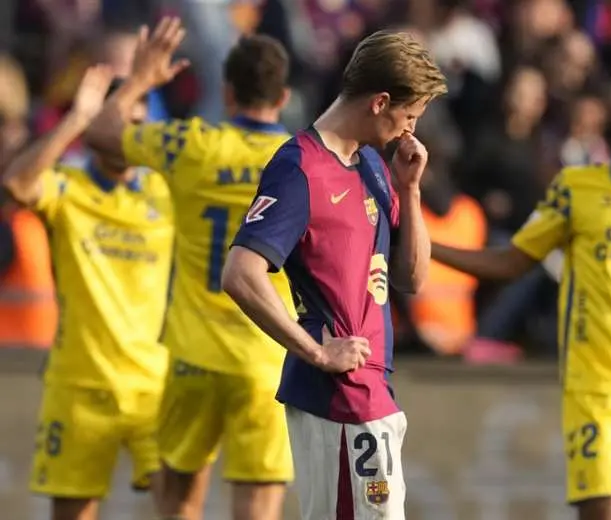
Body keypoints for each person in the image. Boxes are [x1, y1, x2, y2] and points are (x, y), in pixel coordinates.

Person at [431, 72, 611, 520]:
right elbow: (512, 261)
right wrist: (426, 248)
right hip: (595, 386)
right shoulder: (576, 190)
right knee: (602, 509)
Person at [221, 30, 447, 519]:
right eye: (409, 117)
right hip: (341, 397)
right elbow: (241, 273)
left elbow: (411, 278)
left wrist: (410, 191)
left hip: (372, 391)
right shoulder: (300, 166)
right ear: (380, 102)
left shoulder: (370, 163)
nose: (410, 132)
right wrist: (317, 351)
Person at [86, 18, 297, 520]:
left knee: (179, 502)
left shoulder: (189, 145)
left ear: (226, 92)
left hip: (192, 356)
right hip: (266, 359)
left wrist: (139, 80)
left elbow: (100, 133)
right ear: (284, 97)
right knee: (258, 507)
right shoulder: (300, 159)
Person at [2, 66, 174, 520]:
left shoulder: (165, 191)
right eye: (114, 123)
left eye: (136, 125)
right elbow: (17, 185)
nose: (124, 135)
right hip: (79, 388)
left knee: (181, 509)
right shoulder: (66, 187)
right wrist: (78, 117)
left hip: (152, 386)